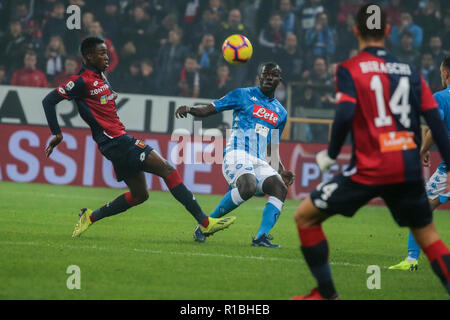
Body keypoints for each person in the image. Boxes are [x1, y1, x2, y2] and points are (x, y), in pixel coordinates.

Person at [291, 3, 450, 300]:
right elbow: (436, 125)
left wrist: (332, 152)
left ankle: (326, 295)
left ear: (355, 31)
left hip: (370, 167)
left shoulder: (349, 69)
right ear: (388, 32)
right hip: (406, 167)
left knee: (305, 217)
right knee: (429, 237)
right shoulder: (410, 71)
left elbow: (343, 115)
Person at [41, 37, 236, 239]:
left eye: (107, 52)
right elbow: (49, 100)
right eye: (101, 53)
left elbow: (98, 98)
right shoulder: (80, 81)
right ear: (88, 56)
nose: (106, 57)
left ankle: (89, 218)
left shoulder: (101, 77)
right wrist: (57, 133)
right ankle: (205, 223)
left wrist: (108, 96)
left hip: (113, 143)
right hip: (116, 140)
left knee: (139, 195)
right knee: (167, 170)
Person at [175, 62, 295, 248]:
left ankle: (260, 237)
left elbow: (272, 146)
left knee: (280, 187)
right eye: (266, 74)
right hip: (236, 153)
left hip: (258, 160)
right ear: (259, 77)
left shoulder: (281, 112)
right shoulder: (242, 94)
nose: (269, 77)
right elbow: (210, 108)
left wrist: (281, 170)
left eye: (274, 74)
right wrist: (190, 109)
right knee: (248, 186)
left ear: (280, 80)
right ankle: (205, 225)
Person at [389, 56, 450, 271]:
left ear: (445, 73)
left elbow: (435, 129)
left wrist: (423, 150)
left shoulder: (441, 97)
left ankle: (412, 259)